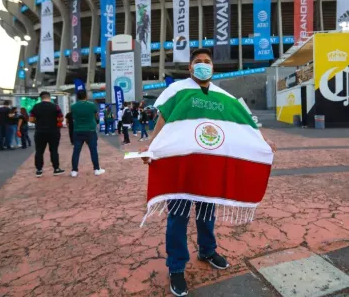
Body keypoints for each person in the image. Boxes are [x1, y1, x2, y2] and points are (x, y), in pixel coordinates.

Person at [139, 48, 277, 297]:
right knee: (178, 217)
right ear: (190, 67)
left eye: (207, 62)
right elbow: (164, 119)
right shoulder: (178, 91)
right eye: (198, 62)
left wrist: (263, 141)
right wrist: (152, 145)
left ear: (213, 67)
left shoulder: (224, 97)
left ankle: (207, 250)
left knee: (206, 212)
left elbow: (244, 124)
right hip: (182, 165)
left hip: (208, 166)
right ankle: (177, 267)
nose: (203, 65)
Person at [70, 90, 105, 177]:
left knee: (76, 151)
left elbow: (73, 117)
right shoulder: (92, 105)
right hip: (90, 130)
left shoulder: (73, 106)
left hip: (78, 130)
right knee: (93, 150)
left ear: (77, 96)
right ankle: (97, 169)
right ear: (86, 96)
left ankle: (74, 171)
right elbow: (96, 116)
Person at [29, 91, 65, 177]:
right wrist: (54, 121)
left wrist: (37, 122)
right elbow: (61, 119)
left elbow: (31, 119)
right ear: (49, 97)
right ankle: (56, 169)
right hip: (53, 132)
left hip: (40, 132)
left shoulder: (36, 106)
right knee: (54, 150)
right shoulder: (55, 107)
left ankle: (39, 170)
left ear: (41, 98)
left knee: (39, 151)